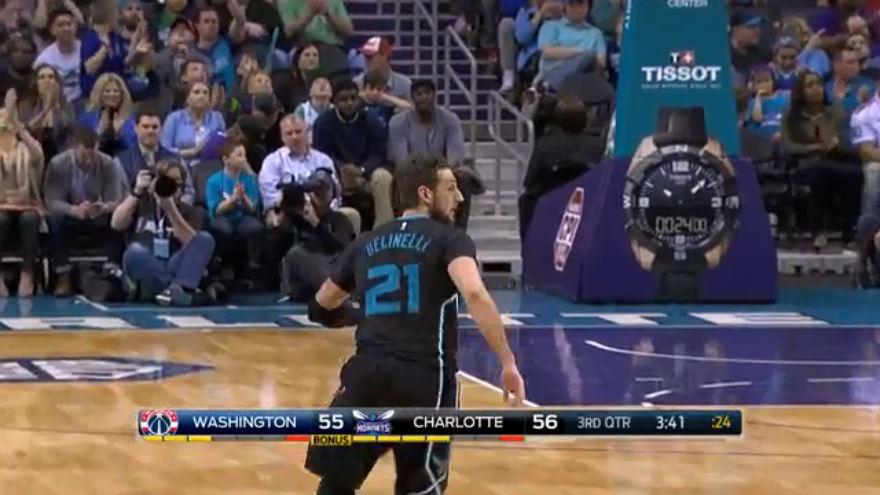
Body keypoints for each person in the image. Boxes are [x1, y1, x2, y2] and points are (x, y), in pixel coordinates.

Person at [305, 154, 526, 495]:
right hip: (424, 381)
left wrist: (360, 316)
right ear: (425, 194)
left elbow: (321, 305)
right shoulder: (450, 239)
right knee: (420, 487)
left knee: (337, 481)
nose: (459, 197)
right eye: (450, 188)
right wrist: (507, 362)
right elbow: (474, 293)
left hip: (367, 375)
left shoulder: (366, 242)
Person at [111, 159, 216, 306]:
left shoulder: (193, 212)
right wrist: (137, 192)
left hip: (175, 264)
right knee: (134, 251)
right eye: (167, 182)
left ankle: (172, 290)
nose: (172, 187)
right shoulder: (141, 204)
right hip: (145, 264)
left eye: (177, 184)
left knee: (205, 239)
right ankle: (178, 292)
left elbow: (193, 245)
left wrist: (170, 208)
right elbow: (116, 223)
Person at [45, 125, 124, 296]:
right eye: (84, 156)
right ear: (74, 148)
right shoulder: (58, 164)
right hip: (70, 215)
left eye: (92, 155)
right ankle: (63, 275)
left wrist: (102, 207)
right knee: (55, 217)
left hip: (98, 215)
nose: (89, 161)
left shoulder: (107, 163)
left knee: (120, 216)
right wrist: (73, 210)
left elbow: (115, 200)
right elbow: (52, 201)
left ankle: (110, 272)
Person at [312, 78, 390, 229]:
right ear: (334, 101)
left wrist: (362, 170)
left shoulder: (371, 119)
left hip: (365, 173)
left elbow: (379, 153)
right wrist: (342, 169)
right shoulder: (323, 122)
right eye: (344, 99)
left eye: (353, 98)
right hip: (337, 173)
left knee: (383, 176)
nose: (349, 103)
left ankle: (383, 229)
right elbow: (321, 155)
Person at [280, 167, 355, 301]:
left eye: (325, 190)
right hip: (309, 275)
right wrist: (285, 209)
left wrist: (316, 223)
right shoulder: (300, 216)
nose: (320, 194)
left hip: (332, 267)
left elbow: (341, 248)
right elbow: (283, 241)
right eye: (316, 190)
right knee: (295, 254)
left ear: (333, 192)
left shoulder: (340, 219)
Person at [0, 89, 45, 298]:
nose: (5, 123)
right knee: (1, 219)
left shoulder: (25, 149)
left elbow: (38, 155)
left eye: (8, 120)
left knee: (29, 218)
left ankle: (28, 272)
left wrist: (17, 124)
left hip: (26, 204)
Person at [206, 139, 264, 274]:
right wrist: (233, 200)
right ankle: (225, 265)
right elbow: (215, 210)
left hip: (240, 217)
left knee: (257, 228)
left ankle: (251, 266)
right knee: (225, 230)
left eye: (244, 155)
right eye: (239, 155)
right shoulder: (213, 181)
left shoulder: (248, 178)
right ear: (226, 160)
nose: (244, 159)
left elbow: (253, 209)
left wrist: (243, 198)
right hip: (221, 218)